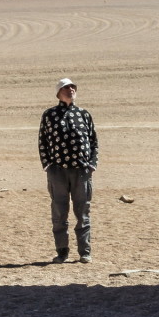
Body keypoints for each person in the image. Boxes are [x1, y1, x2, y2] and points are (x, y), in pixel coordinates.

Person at [38, 77, 97, 263]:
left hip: (81, 171)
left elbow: (93, 140)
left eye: (73, 87)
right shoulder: (50, 115)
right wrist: (48, 165)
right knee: (59, 211)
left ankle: (85, 252)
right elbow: (43, 141)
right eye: (66, 87)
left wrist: (92, 163)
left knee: (83, 212)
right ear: (58, 93)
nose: (70, 89)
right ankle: (62, 251)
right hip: (58, 172)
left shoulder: (84, 114)